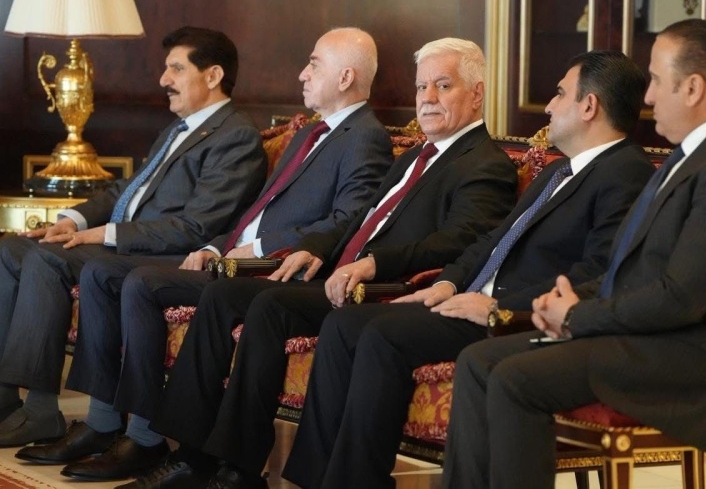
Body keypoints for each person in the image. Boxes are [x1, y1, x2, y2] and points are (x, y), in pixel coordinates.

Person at [129, 37, 519, 489]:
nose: (427, 98)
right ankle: (194, 458)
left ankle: (237, 471)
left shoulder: (485, 164)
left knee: (270, 306)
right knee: (224, 294)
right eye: (421, 87)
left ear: (476, 93)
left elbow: (457, 243)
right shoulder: (415, 156)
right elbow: (360, 217)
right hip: (335, 273)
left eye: (443, 85)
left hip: (380, 288)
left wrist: (374, 264)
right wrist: (314, 246)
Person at [16, 27, 395, 481]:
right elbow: (255, 213)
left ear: (346, 76)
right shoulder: (311, 134)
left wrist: (254, 248)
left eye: (313, 64)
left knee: (140, 281)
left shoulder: (363, 137)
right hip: (228, 257)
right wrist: (216, 245)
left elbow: (348, 219)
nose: (302, 74)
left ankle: (146, 440)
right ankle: (115, 429)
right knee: (107, 274)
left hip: (270, 268)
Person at [443, 19, 706, 489]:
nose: (647, 97)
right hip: (651, 334)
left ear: (693, 88)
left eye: (657, 80)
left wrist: (577, 318)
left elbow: (682, 298)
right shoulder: (694, 153)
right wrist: (564, 304)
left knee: (515, 379)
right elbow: (632, 271)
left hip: (696, 354)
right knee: (478, 362)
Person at [282, 50, 656, 489]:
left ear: (589, 105)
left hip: (514, 317)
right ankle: (316, 480)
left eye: (559, 93)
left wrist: (498, 306)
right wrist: (448, 281)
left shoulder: (625, 172)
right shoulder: (558, 171)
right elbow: (493, 240)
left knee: (382, 335)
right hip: (468, 299)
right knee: (345, 325)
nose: (549, 107)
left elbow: (598, 271)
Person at [0, 26, 267, 447]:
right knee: (12, 248)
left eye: (176, 69)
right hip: (128, 242)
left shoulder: (236, 136)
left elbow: (195, 227)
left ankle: (40, 410)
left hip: (166, 254)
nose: (164, 80)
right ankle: (4, 400)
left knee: (46, 258)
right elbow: (126, 191)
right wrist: (73, 219)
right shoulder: (178, 129)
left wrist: (105, 234)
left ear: (213, 75)